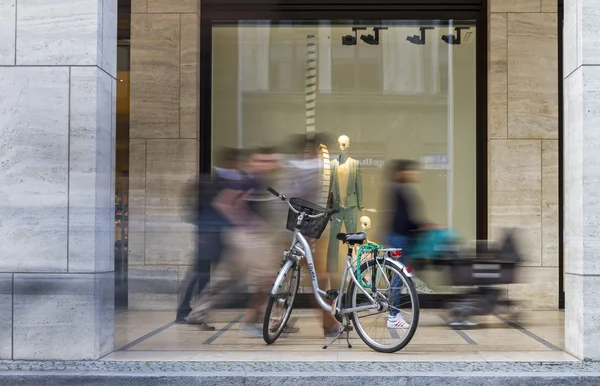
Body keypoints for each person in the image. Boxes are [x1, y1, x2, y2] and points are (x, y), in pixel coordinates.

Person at [175, 148, 245, 329]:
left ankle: (190, 310)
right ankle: (189, 311)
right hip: (210, 235)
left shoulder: (223, 182)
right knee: (202, 275)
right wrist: (200, 232)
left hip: (217, 235)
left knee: (203, 275)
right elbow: (202, 208)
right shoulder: (214, 183)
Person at [384, 159, 434, 329]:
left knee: (399, 277)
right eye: (410, 171)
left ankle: (393, 313)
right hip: (399, 238)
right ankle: (393, 315)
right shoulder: (399, 190)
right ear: (401, 173)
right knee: (399, 277)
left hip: (399, 237)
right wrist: (420, 225)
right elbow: (402, 219)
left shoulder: (400, 189)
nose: (414, 173)